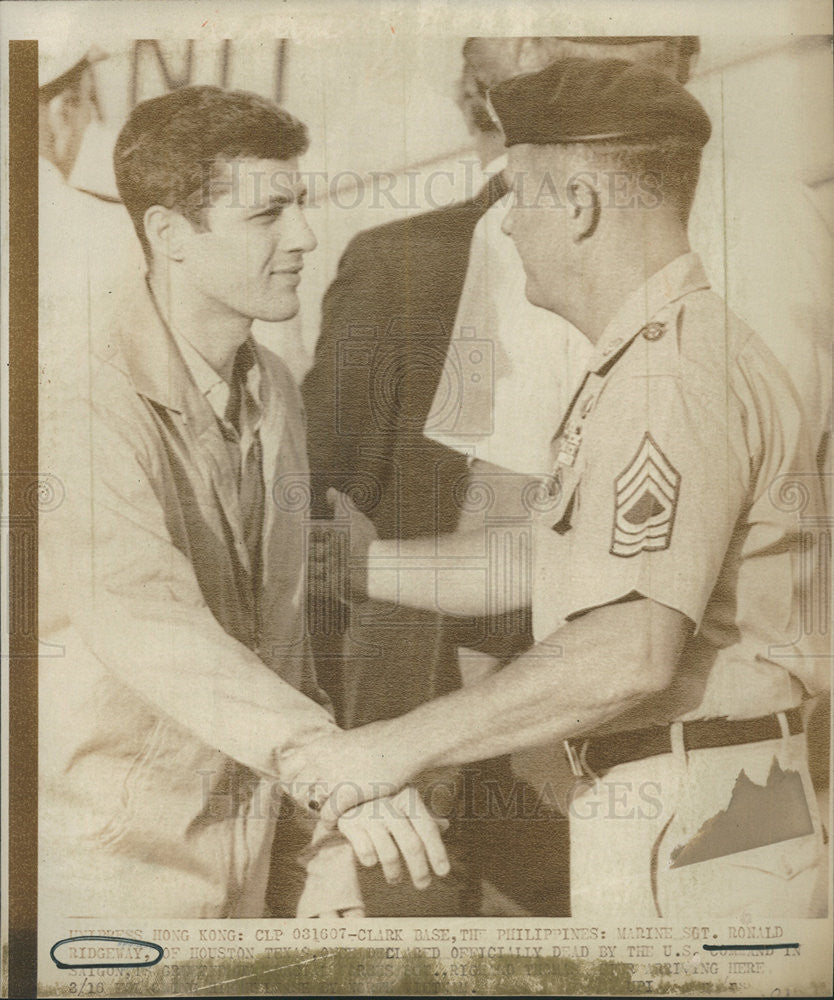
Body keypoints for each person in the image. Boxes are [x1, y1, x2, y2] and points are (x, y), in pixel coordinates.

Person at [288, 58, 829, 920]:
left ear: (577, 205)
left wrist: (396, 745)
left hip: (701, 814)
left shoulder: (670, 380)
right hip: (694, 799)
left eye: (518, 198)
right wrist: (364, 564)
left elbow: (629, 650)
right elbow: (560, 567)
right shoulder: (650, 359)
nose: (503, 230)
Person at [38, 85, 450, 920]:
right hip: (107, 873)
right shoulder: (75, 401)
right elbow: (148, 618)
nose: (305, 236)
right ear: (168, 235)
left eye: (298, 205)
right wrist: (334, 767)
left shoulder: (274, 391)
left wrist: (325, 845)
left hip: (249, 862)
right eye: (268, 215)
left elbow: (286, 647)